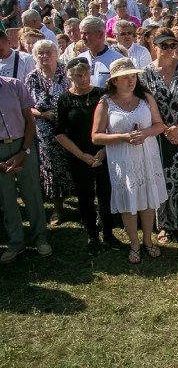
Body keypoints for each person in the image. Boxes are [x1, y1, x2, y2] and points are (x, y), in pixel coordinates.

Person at [92, 58, 168, 264]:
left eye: (133, 76)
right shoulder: (105, 103)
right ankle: (134, 244)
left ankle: (148, 240)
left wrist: (144, 133)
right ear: (114, 81)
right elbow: (96, 136)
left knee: (147, 198)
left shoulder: (145, 98)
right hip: (122, 160)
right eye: (125, 78)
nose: (130, 81)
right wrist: (123, 137)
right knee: (129, 200)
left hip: (146, 155)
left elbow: (160, 125)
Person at [54, 57, 121, 255]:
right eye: (77, 75)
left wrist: (103, 151)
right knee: (85, 196)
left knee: (105, 193)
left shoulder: (102, 95)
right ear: (69, 76)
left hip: (102, 152)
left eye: (85, 74)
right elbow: (59, 133)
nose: (82, 79)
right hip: (78, 155)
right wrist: (82, 155)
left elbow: (112, 125)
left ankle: (108, 233)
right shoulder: (64, 99)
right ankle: (92, 234)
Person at [141, 29, 178, 243]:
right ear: (154, 46)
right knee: (165, 176)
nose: (169, 49)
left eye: (172, 45)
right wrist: (166, 129)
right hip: (159, 132)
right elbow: (148, 104)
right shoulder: (145, 74)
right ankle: (165, 224)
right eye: (164, 45)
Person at [0, 73, 52, 263]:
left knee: (32, 193)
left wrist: (24, 151)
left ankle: (40, 237)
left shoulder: (14, 85)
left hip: (23, 144)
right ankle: (16, 242)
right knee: (7, 199)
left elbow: (30, 121)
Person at [25, 39, 73, 224]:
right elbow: (28, 106)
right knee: (51, 167)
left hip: (68, 126)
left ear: (56, 53)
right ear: (35, 56)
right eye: (40, 53)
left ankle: (83, 203)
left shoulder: (66, 72)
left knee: (73, 161)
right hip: (45, 130)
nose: (44, 56)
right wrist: (44, 115)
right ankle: (57, 208)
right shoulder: (32, 77)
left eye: (48, 52)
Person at [79, 16, 123, 87]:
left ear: (101, 35)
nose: (82, 37)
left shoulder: (117, 60)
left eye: (86, 33)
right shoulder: (80, 58)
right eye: (81, 33)